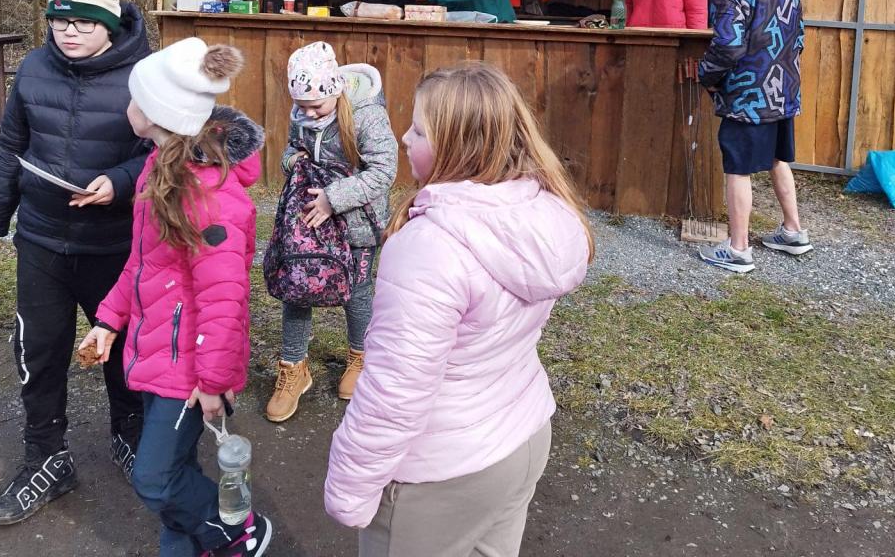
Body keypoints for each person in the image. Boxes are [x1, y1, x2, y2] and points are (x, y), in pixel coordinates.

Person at [324, 61, 593, 557]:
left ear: (458, 146)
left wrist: (349, 488)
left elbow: (395, 391)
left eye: (419, 130)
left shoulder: (429, 247)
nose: (404, 137)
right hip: (521, 437)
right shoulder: (541, 212)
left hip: (442, 476)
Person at [0, 0, 151, 526]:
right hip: (43, 240)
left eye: (83, 22)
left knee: (122, 347)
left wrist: (120, 182)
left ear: (109, 23)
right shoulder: (32, 69)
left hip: (115, 245)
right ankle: (46, 459)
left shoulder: (144, 77)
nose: (68, 32)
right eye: (58, 20)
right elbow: (10, 150)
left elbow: (163, 154)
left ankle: (131, 433)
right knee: (39, 350)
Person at [80, 37, 272, 557]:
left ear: (155, 113)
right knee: (175, 469)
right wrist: (109, 319)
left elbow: (225, 300)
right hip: (157, 352)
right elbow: (144, 264)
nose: (127, 104)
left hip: (189, 370)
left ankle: (238, 530)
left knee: (156, 479)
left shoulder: (205, 197)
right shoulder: (159, 169)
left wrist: (213, 380)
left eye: (135, 97)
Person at [265, 41, 399, 423]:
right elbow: (290, 149)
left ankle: (360, 357)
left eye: (316, 107)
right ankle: (294, 366)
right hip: (311, 221)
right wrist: (293, 160)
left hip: (357, 223)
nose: (307, 114)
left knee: (357, 291)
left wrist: (333, 198)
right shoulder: (302, 113)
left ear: (336, 89)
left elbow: (384, 170)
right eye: (301, 106)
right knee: (298, 286)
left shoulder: (367, 116)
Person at [697, 0, 811, 273]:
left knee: (738, 167)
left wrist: (706, 76)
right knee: (778, 158)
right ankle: (793, 232)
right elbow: (800, 36)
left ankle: (738, 249)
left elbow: (728, 46)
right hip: (783, 90)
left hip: (747, 95)